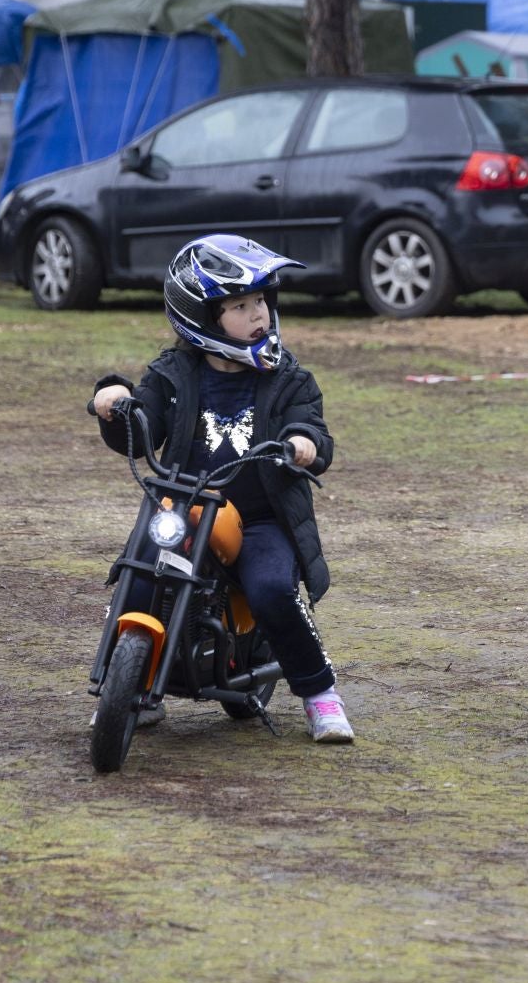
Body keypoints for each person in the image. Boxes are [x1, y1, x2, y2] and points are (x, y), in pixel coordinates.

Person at [90, 233, 354, 744]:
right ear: (204, 316)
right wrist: (116, 402)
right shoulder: (173, 373)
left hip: (260, 518)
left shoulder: (291, 379)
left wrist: (301, 443)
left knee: (273, 589)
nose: (258, 314)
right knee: (137, 576)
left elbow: (313, 430)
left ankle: (320, 693)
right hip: (185, 508)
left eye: (261, 302)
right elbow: (143, 426)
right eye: (240, 305)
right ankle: (121, 691)